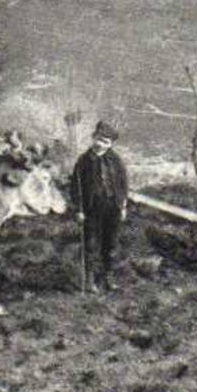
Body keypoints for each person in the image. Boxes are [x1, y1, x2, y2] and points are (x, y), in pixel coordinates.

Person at [69, 121, 129, 294]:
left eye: (106, 141)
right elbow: (76, 187)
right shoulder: (83, 161)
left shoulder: (116, 160)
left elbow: (123, 183)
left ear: (110, 144)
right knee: (90, 244)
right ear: (93, 137)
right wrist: (79, 210)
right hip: (91, 208)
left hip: (113, 206)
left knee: (110, 243)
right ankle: (89, 281)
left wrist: (123, 205)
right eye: (99, 139)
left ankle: (108, 278)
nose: (101, 143)